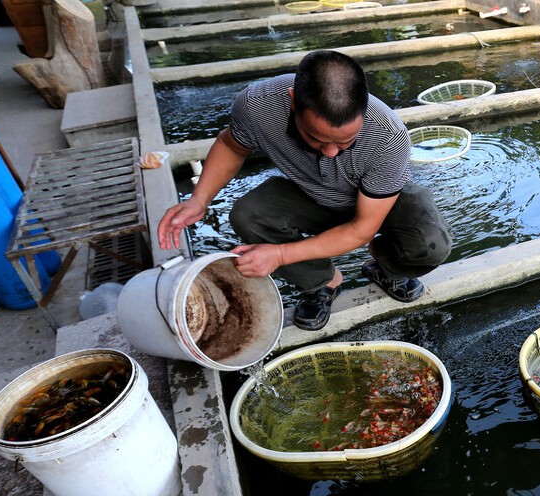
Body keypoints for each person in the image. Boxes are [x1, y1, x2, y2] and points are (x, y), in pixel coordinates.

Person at [157, 50, 452, 331]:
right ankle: (323, 281)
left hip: (378, 204)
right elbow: (232, 145)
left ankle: (386, 267)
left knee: (431, 243)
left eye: (346, 142)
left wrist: (281, 255)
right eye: (317, 139)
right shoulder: (256, 105)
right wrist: (200, 199)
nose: (332, 153)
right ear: (294, 102)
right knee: (248, 215)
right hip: (311, 195)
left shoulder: (389, 135)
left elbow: (361, 229)